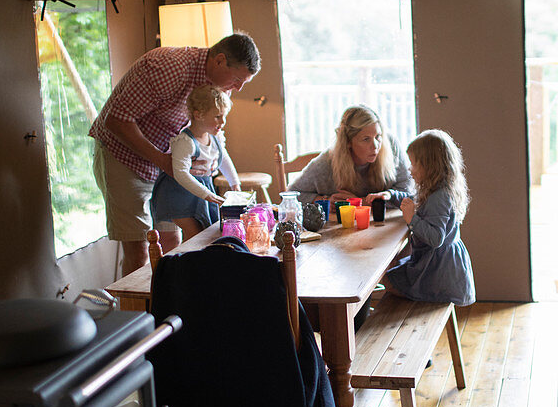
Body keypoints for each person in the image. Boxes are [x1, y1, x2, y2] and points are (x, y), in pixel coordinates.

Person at [90, 32, 260, 275]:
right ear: (220, 60)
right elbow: (116, 120)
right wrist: (164, 162)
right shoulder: (168, 67)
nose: (238, 88)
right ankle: (135, 312)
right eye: (237, 79)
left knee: (171, 242)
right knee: (139, 248)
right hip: (123, 156)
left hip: (167, 162)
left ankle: (170, 304)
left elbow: (215, 137)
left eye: (244, 82)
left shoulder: (221, 85)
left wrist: (228, 178)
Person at [386, 129, 475, 306]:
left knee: (388, 280)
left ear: (429, 166)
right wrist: (391, 195)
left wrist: (412, 218)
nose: (410, 170)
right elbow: (415, 201)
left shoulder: (439, 197)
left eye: (413, 164)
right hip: (436, 265)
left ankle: (413, 314)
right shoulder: (438, 190)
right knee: (393, 274)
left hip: (437, 274)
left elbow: (435, 238)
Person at [150, 85, 239, 241]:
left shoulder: (215, 137)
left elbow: (223, 158)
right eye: (218, 117)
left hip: (202, 189)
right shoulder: (185, 142)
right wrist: (207, 194)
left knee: (207, 231)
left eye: (224, 116)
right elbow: (181, 173)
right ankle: (186, 263)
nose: (223, 122)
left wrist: (234, 183)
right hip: (177, 191)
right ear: (198, 115)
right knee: (195, 236)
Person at [288, 105, 413, 208]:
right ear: (348, 142)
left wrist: (359, 201)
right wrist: (325, 201)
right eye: (366, 139)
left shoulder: (391, 145)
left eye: (377, 137)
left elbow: (409, 192)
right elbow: (291, 194)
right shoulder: (325, 164)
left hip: (388, 226)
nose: (375, 146)